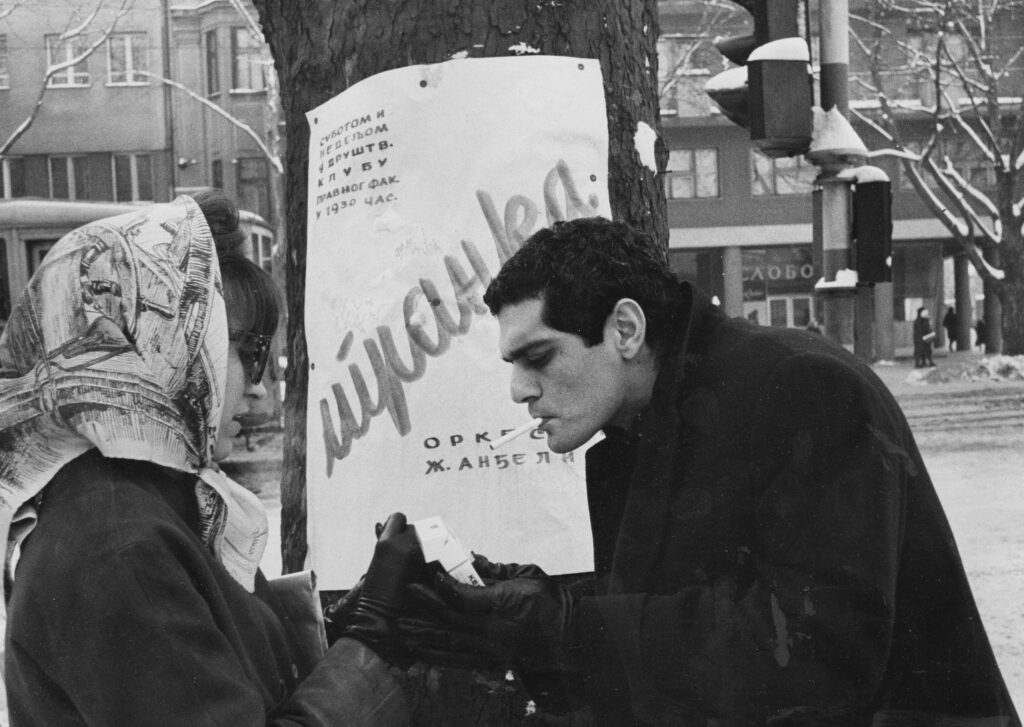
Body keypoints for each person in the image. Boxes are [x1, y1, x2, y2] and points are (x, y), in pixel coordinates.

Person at [396, 217, 1020, 726]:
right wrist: (529, 601)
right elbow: (681, 628)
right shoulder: (628, 433)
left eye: (537, 356)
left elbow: (816, 656)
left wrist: (562, 626)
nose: (518, 390)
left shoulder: (798, 385)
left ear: (626, 328)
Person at [1, 193, 420, 725]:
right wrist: (368, 648)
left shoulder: (143, 501)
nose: (260, 391)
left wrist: (349, 624)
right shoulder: (117, 544)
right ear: (160, 343)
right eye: (247, 353)